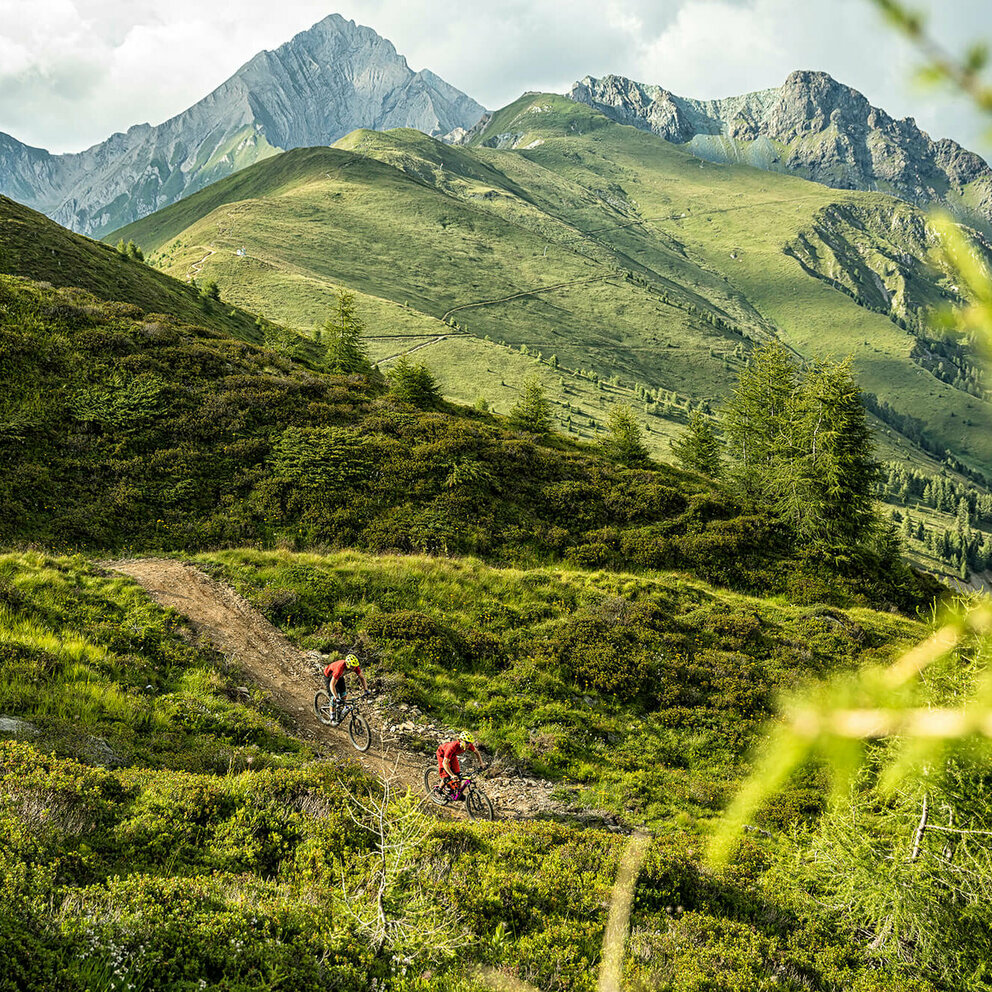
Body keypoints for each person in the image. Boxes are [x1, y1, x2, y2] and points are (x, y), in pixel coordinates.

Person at [323, 654, 368, 725]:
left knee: (344, 696)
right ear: (347, 664)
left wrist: (366, 690)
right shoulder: (339, 668)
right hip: (329, 676)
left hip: (340, 677)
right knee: (334, 699)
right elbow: (332, 685)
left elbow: (362, 678)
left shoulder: (354, 667)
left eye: (354, 667)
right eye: (352, 667)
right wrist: (336, 697)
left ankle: (338, 708)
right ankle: (332, 718)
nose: (353, 669)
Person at [436, 733, 480, 799]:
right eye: (467, 742)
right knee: (446, 777)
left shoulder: (468, 745)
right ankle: (438, 790)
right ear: (460, 741)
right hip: (442, 754)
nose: (469, 745)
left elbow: (476, 752)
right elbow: (445, 764)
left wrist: (481, 763)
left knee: (458, 775)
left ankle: (459, 793)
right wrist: (452, 775)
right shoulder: (452, 747)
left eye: (470, 743)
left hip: (453, 756)